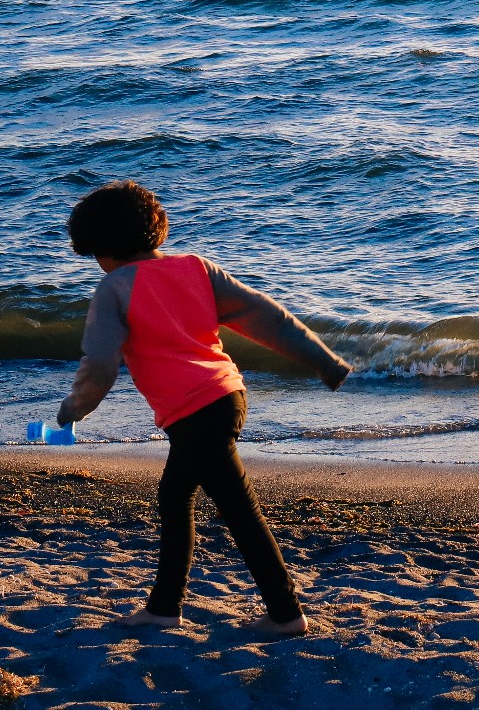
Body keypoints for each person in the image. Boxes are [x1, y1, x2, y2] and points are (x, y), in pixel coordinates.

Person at [56, 180, 352, 636]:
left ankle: (285, 614)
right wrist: (322, 359)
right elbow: (266, 317)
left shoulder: (113, 288)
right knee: (175, 498)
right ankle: (165, 607)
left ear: (101, 245)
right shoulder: (196, 268)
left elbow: (99, 362)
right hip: (226, 395)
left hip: (196, 413)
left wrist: (74, 410)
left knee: (237, 508)